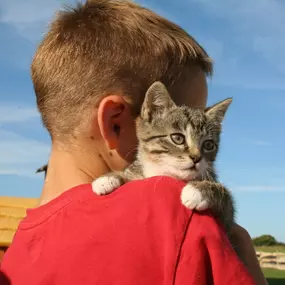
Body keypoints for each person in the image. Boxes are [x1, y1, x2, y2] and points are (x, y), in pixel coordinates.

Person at [0, 1, 267, 284]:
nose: (195, 152)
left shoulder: (14, 252)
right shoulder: (171, 209)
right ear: (115, 122)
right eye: (186, 115)